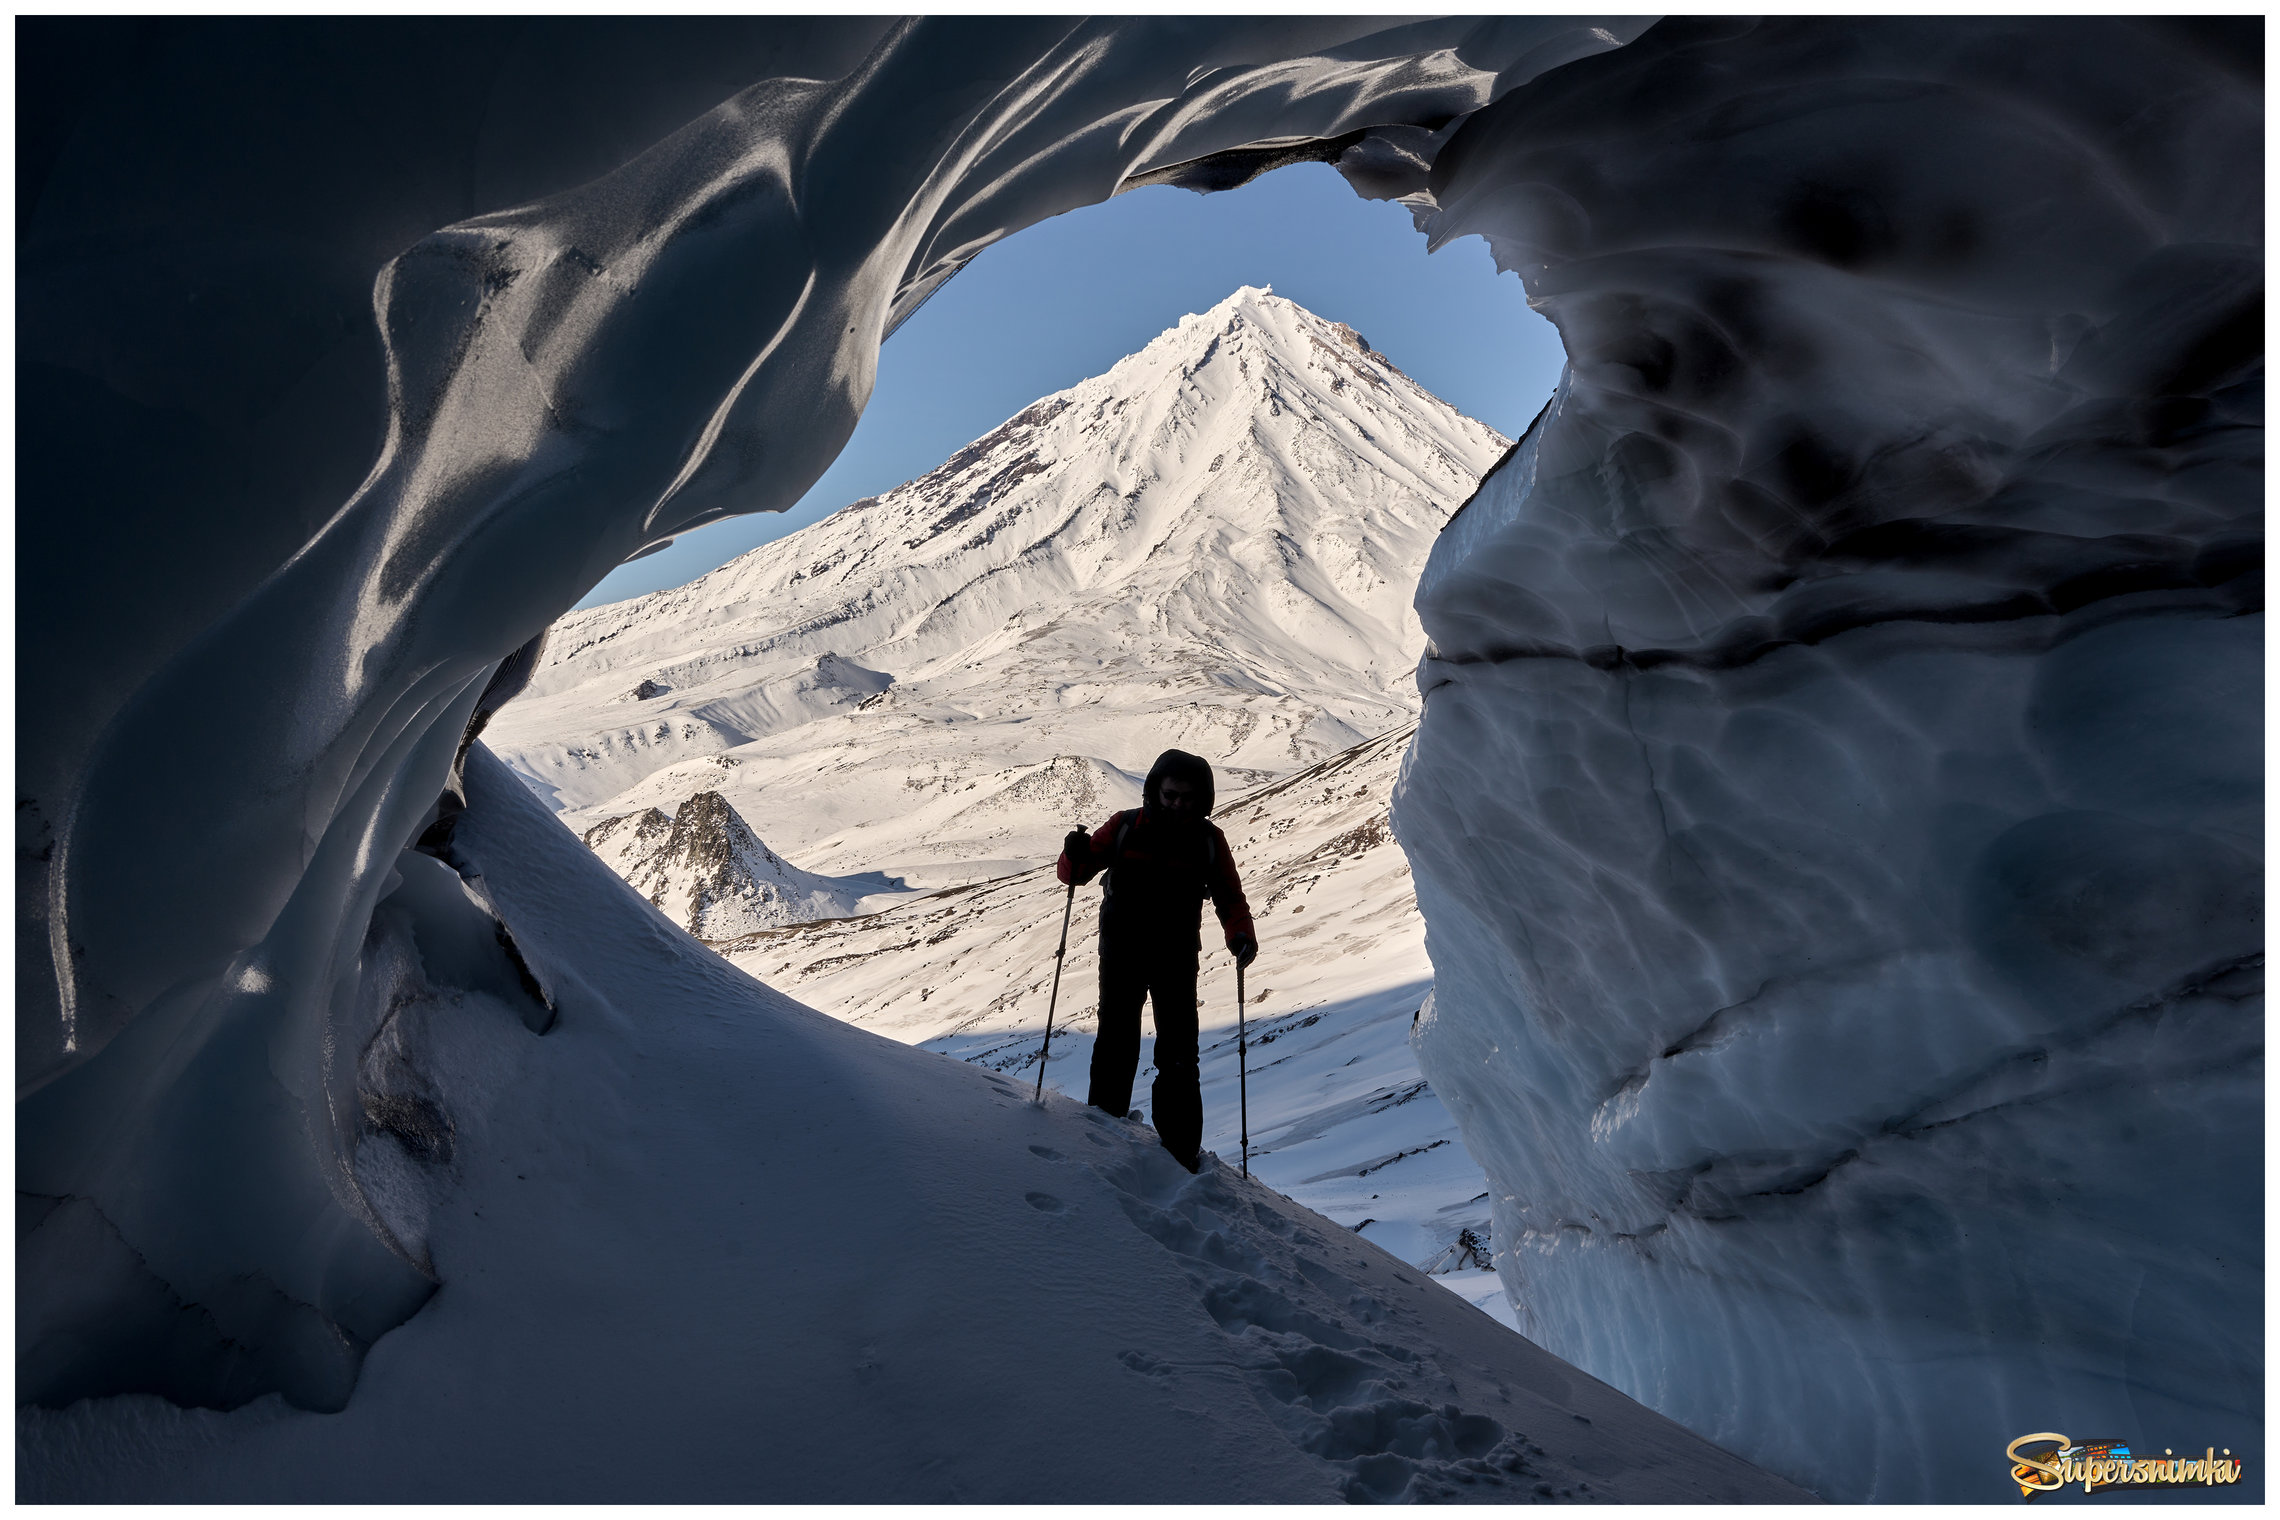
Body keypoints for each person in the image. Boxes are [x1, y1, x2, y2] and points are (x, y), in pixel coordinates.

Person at [1057, 748, 1257, 1172]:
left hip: (1175, 957)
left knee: (1178, 1052)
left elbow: (1228, 893)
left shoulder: (1207, 840)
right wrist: (1073, 853)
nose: (1177, 803)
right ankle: (1104, 1130)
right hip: (1123, 952)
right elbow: (1076, 872)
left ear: (1201, 799)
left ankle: (1180, 1150)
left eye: (1186, 797)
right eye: (1170, 795)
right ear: (1155, 791)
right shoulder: (1125, 826)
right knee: (1117, 1039)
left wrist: (1240, 934)